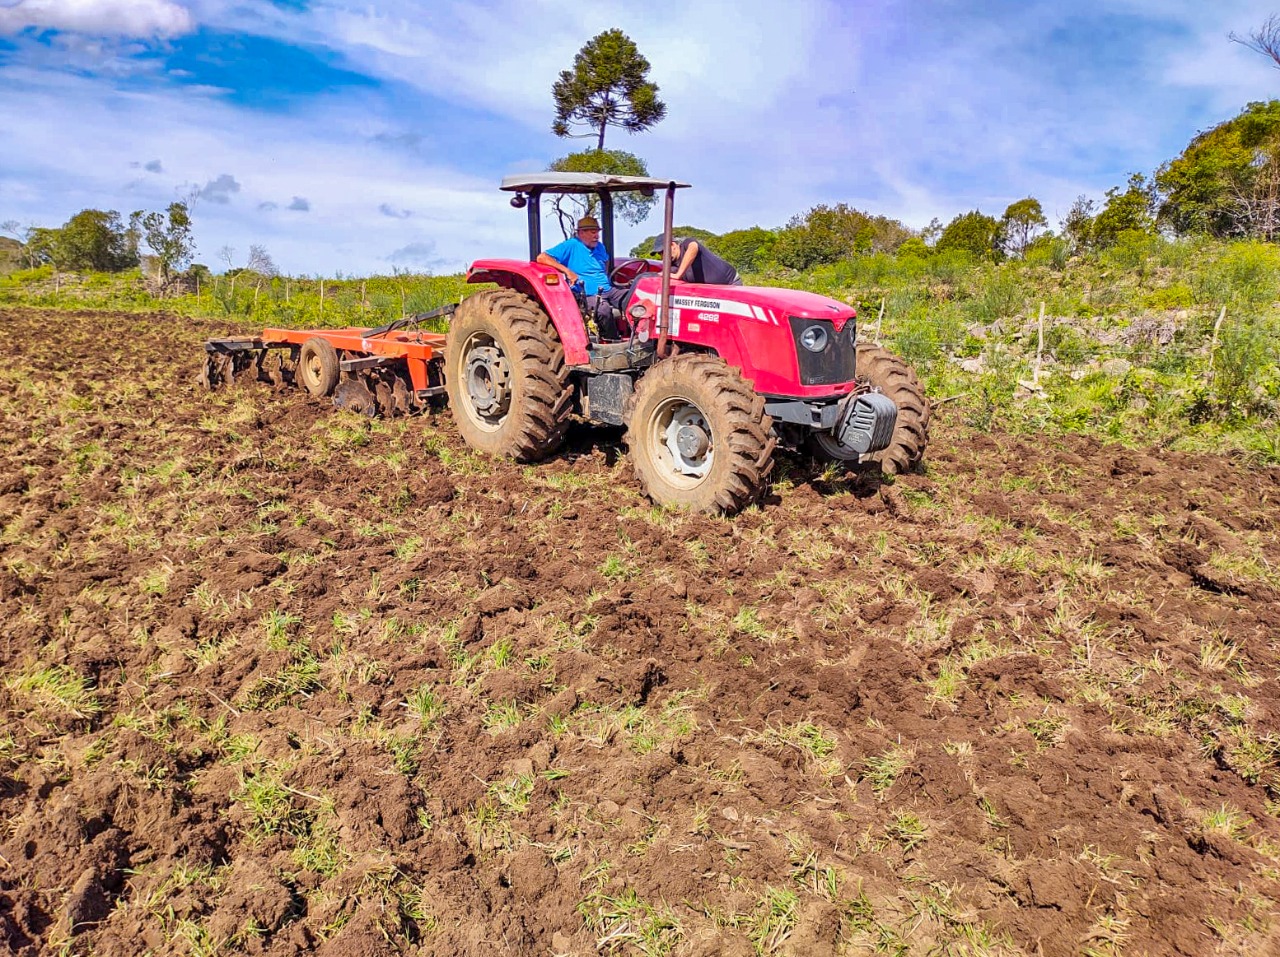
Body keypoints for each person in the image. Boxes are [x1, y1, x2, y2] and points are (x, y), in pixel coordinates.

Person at [537, 215, 626, 338]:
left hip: (608, 290)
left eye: (597, 232)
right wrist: (568, 272)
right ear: (581, 233)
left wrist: (604, 277)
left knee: (633, 297)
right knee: (603, 310)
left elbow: (606, 262)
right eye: (593, 232)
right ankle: (612, 340)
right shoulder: (571, 245)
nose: (597, 236)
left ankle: (641, 336)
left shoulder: (599, 246)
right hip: (587, 294)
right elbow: (542, 258)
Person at [653, 236, 743, 285]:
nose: (662, 257)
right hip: (712, 293)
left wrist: (678, 275)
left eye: (662, 252)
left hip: (731, 283)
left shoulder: (687, 244)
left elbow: (693, 247)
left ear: (672, 245)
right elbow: (664, 275)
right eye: (660, 254)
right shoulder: (673, 266)